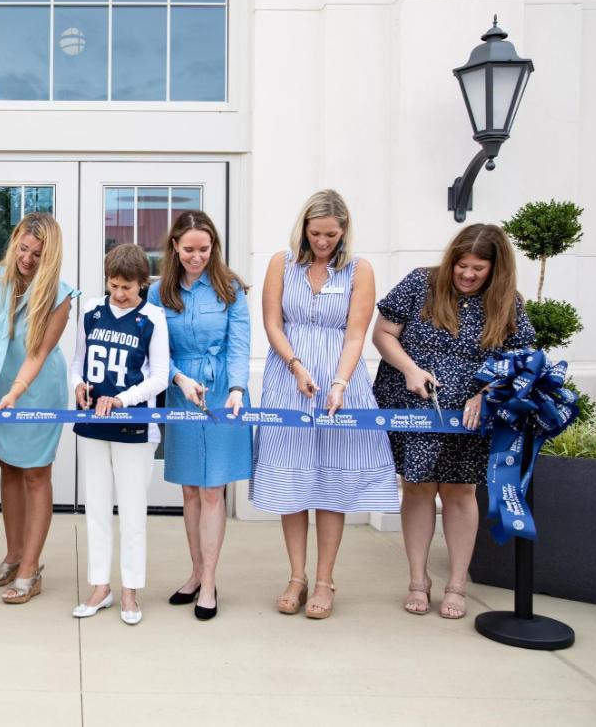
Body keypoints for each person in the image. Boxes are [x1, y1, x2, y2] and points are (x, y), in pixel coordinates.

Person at [373, 223, 535, 620]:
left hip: (472, 413)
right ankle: (417, 580)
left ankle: (457, 584)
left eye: (478, 268)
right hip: (414, 402)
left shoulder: (507, 301)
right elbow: (383, 334)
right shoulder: (420, 283)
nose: (467, 274)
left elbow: (521, 359)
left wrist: (486, 393)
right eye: (461, 265)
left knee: (461, 491)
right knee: (417, 488)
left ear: (495, 269)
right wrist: (410, 369)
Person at [251, 190, 399, 620]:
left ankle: (324, 579)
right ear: (304, 229)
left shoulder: (360, 270)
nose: (322, 241)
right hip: (289, 380)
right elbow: (272, 323)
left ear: (344, 231)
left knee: (330, 481)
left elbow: (356, 334)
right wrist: (295, 365)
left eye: (331, 234)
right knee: (293, 481)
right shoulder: (282, 263)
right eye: (315, 233)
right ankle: (296, 577)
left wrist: (340, 382)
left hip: (340, 382)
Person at [0, 212, 78, 604]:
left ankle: (31, 567)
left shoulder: (60, 296)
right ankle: (13, 556)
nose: (27, 259)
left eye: (37, 254)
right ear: (14, 241)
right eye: (22, 249)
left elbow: (40, 352)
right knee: (8, 465)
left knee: (34, 472)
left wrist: (15, 391)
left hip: (37, 388)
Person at [147, 210, 250, 621]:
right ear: (174, 246)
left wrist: (238, 388)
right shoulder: (158, 293)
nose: (196, 257)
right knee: (190, 490)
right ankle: (194, 572)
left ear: (214, 247)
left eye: (204, 249)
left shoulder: (231, 289)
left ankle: (209, 582)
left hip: (224, 390)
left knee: (213, 491)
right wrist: (177, 378)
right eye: (189, 249)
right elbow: (154, 349)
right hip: (181, 390)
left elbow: (240, 343)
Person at [70, 244, 169, 625]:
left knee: (131, 510)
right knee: (95, 505)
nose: (119, 294)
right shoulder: (92, 312)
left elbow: (159, 375)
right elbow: (78, 361)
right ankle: (100, 586)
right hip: (93, 423)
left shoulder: (153, 318)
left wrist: (123, 399)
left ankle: (131, 590)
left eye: (127, 287)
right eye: (114, 286)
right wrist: (78, 385)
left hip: (135, 426)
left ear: (143, 284)